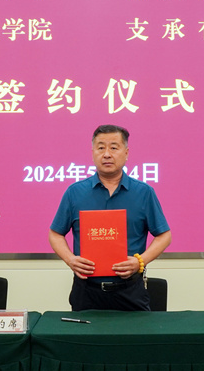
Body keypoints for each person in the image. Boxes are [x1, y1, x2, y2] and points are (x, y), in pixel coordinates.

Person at [49, 124, 171, 311]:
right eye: (101, 148)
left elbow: (164, 235)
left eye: (114, 147)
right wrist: (70, 259)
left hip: (130, 290)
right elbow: (55, 234)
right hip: (86, 290)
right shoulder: (75, 192)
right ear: (93, 153)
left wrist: (140, 261)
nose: (107, 154)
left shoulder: (144, 192)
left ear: (126, 153)